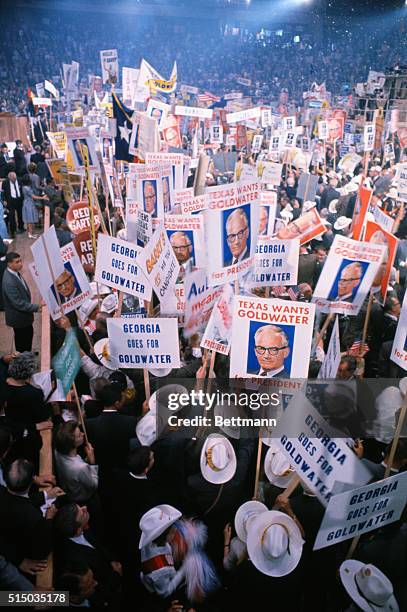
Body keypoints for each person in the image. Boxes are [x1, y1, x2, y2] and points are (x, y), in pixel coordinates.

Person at [2, 252, 41, 352]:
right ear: (9, 264)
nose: (20, 263)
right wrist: (37, 307)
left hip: (23, 317)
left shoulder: (14, 273)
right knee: (22, 341)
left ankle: (27, 354)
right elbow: (18, 303)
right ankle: (24, 361)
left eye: (20, 261)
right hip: (19, 319)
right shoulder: (9, 281)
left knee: (27, 337)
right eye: (17, 262)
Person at [53, 421, 99, 504]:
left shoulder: (57, 452)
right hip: (82, 500)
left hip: (70, 492)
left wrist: (85, 461)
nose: (83, 434)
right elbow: (93, 485)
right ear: (72, 444)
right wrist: (92, 462)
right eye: (79, 435)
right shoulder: (80, 467)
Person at [21, 174, 47, 239]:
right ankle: (30, 234)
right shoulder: (27, 188)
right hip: (29, 204)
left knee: (28, 219)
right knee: (30, 220)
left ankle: (30, 232)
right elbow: (33, 196)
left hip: (27, 203)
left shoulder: (24, 187)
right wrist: (43, 197)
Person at [2, 171, 24, 238]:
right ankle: (13, 231)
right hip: (10, 201)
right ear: (9, 178)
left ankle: (21, 227)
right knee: (11, 216)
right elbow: (3, 192)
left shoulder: (20, 180)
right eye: (12, 180)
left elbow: (22, 189)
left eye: (15, 179)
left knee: (20, 214)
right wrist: (4, 200)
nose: (14, 180)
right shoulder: (5, 182)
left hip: (19, 200)